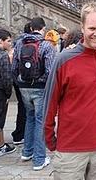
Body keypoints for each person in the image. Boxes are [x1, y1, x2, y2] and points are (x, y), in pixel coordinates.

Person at [43, 1, 96, 180]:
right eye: (92, 28)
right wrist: (50, 139)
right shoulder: (64, 60)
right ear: (82, 27)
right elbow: (50, 103)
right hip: (71, 148)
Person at [12, 17, 56, 170]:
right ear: (43, 28)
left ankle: (27, 152)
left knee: (30, 117)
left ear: (31, 28)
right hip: (40, 87)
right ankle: (39, 159)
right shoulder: (47, 45)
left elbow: (14, 68)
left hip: (23, 86)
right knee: (40, 120)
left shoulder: (18, 43)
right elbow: (50, 71)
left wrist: (20, 82)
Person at [11, 22, 31, 145]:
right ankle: (22, 135)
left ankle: (19, 134)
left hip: (19, 79)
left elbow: (14, 64)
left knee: (22, 107)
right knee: (29, 110)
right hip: (32, 81)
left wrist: (16, 80)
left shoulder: (18, 42)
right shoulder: (35, 43)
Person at [0, 29, 16, 157]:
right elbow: (6, 78)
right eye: (8, 41)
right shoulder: (2, 56)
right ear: (0, 41)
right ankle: (0, 146)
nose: (10, 43)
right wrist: (9, 94)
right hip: (0, 92)